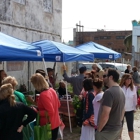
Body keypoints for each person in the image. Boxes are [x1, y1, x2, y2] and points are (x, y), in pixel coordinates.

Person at [95, 69, 125, 140]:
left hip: (107, 131)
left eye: (105, 76)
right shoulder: (121, 91)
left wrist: (99, 130)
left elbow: (105, 114)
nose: (103, 78)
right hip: (116, 129)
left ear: (111, 77)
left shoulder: (109, 92)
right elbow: (123, 111)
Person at [30, 73, 61, 140]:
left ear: (36, 84)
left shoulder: (43, 95)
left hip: (48, 125)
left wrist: (37, 112)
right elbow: (58, 104)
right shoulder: (52, 90)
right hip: (55, 122)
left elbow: (50, 112)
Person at [120, 73, 137, 140]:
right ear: (124, 79)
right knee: (120, 126)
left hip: (130, 110)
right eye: (128, 78)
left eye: (130, 78)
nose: (129, 80)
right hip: (121, 110)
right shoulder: (120, 88)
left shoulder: (133, 88)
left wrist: (135, 108)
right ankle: (119, 138)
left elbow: (135, 99)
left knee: (130, 126)